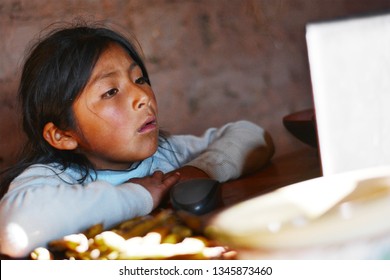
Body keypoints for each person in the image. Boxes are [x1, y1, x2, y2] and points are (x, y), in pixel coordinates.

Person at [0, 22, 274, 258]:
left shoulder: (166, 156)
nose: (143, 96)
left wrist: (201, 169)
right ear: (62, 135)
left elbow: (254, 136)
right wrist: (139, 195)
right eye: (110, 92)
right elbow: (16, 229)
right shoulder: (54, 178)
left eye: (140, 79)